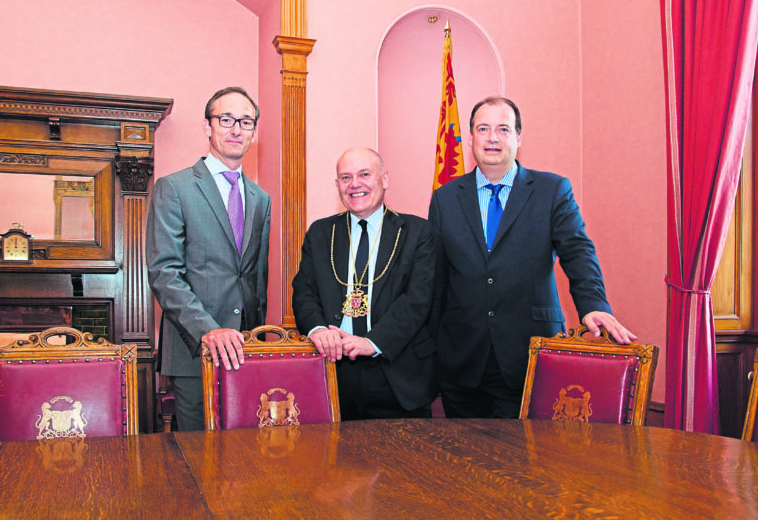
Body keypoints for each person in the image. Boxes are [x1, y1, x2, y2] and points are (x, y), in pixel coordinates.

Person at [428, 96, 636, 419]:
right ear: (470, 139)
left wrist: (593, 304)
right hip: (462, 363)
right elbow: (437, 279)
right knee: (465, 463)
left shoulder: (551, 190)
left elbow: (578, 250)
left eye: (503, 129)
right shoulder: (445, 199)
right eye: (483, 128)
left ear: (518, 138)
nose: (493, 137)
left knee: (527, 463)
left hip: (529, 355)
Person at [146, 86, 271, 431]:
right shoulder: (174, 188)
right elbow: (164, 273)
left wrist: (256, 340)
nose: (235, 129)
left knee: (243, 456)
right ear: (208, 126)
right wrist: (209, 330)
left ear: (254, 132)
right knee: (197, 460)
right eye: (226, 119)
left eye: (245, 122)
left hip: (244, 349)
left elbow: (256, 279)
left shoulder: (261, 199)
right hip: (193, 348)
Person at [292, 147, 438, 420]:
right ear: (337, 185)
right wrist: (318, 330)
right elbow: (304, 290)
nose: (355, 184)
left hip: (397, 373)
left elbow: (418, 299)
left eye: (364, 174)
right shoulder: (321, 233)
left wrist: (372, 341)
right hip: (334, 371)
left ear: (384, 179)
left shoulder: (417, 232)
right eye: (345, 177)